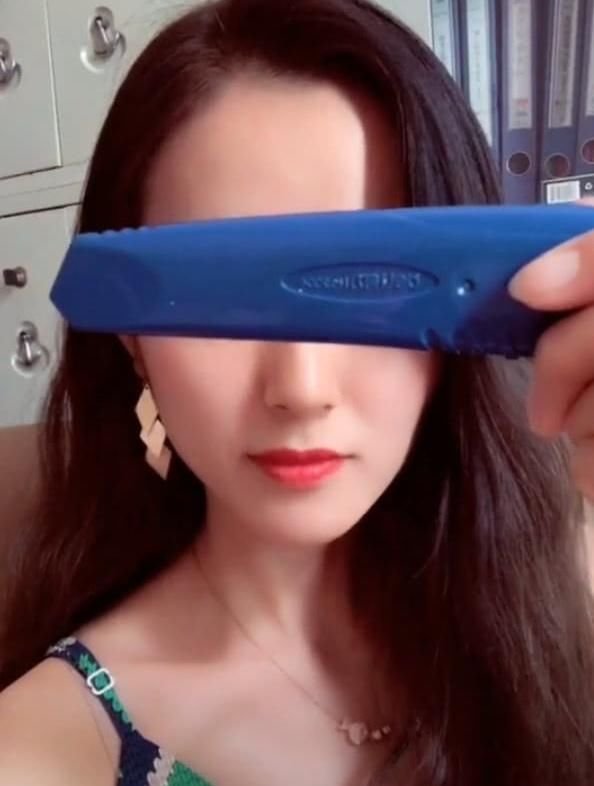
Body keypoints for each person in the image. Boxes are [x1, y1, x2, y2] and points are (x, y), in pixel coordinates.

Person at [0, 0, 593, 784]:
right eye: (223, 297)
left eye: (372, 287)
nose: (302, 388)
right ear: (131, 338)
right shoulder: (41, 751)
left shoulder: (562, 597)